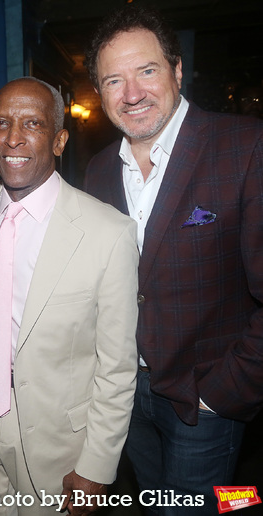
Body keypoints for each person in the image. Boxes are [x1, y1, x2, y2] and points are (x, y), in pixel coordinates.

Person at [83, 5, 263, 514]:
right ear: (99, 93)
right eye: (114, 80)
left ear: (177, 70)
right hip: (127, 399)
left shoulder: (245, 146)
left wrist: (223, 393)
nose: (132, 93)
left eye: (146, 71)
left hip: (202, 401)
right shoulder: (97, 171)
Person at [0, 77, 139, 516]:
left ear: (58, 141)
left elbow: (117, 368)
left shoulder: (109, 233)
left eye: (32, 124)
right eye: (2, 123)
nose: (13, 137)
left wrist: (98, 464)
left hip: (61, 436)